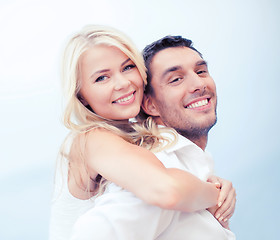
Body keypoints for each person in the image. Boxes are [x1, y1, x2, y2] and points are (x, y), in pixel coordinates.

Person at [49, 25, 235, 240]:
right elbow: (167, 189)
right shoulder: (90, 139)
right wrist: (216, 194)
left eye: (127, 67)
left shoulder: (137, 139)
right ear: (81, 96)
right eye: (102, 78)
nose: (123, 83)